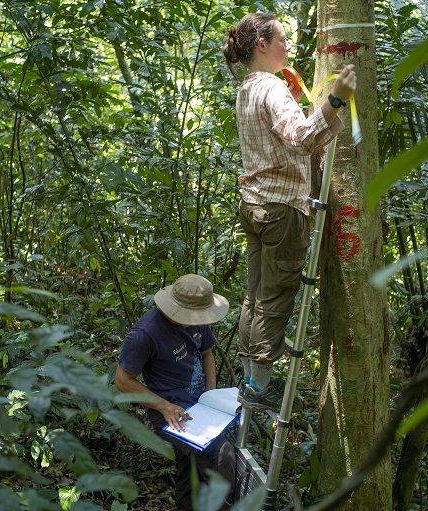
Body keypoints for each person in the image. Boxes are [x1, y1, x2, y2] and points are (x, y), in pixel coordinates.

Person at [222, 13, 357, 410]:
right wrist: (335, 100)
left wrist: (297, 101)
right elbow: (301, 139)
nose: (288, 47)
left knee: (256, 294)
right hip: (282, 209)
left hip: (255, 204)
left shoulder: (248, 87)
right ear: (261, 44)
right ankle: (259, 385)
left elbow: (277, 134)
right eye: (281, 39)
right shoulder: (272, 90)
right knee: (276, 296)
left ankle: (250, 377)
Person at [114, 274, 235, 510]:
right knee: (222, 456)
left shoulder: (198, 316)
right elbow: (122, 380)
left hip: (201, 406)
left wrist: (210, 393)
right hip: (169, 411)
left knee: (189, 468)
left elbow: (207, 353)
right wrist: (164, 406)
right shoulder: (145, 334)